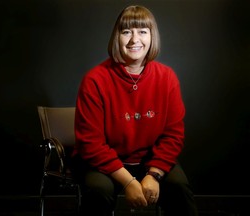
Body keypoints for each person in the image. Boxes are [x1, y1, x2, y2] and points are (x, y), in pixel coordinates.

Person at [71, 5, 199, 216]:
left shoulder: (167, 78)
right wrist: (129, 182)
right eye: (126, 31)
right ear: (117, 37)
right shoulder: (94, 80)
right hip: (103, 163)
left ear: (152, 36)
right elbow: (90, 143)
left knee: (179, 188)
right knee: (99, 190)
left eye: (142, 31)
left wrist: (154, 174)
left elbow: (173, 135)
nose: (134, 39)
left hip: (150, 160)